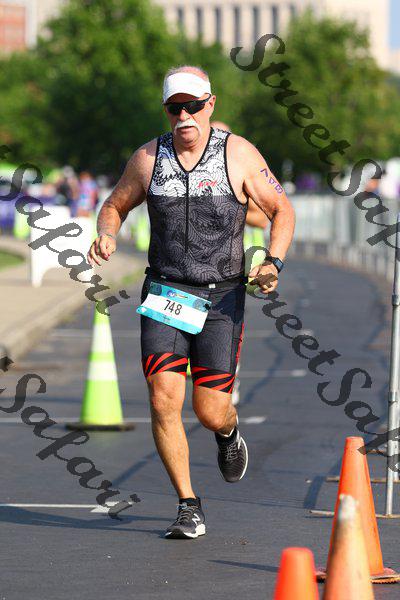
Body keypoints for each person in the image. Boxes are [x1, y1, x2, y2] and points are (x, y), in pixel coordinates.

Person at [87, 65, 295, 539]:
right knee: (163, 397)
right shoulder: (148, 158)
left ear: (210, 104)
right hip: (165, 290)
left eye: (193, 106)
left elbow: (281, 208)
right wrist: (106, 233)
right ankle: (188, 504)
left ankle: (227, 431)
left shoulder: (238, 154)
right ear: (166, 110)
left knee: (209, 410)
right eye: (175, 108)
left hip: (222, 298)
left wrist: (274, 263)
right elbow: (114, 204)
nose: (184, 116)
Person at [210, 120, 268, 406]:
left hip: (233, 264)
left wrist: (226, 212)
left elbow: (262, 217)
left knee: (226, 327)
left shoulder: (239, 169)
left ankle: (229, 380)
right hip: (192, 266)